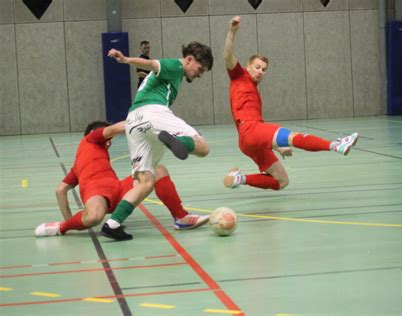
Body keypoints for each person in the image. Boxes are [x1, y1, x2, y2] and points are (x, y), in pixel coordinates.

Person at [222, 16, 359, 191]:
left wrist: (277, 147)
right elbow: (227, 55)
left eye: (264, 70)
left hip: (247, 140)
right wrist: (232, 31)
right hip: (251, 130)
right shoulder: (239, 76)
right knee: (296, 138)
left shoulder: (254, 90)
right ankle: (336, 145)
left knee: (281, 182)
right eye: (257, 67)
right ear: (248, 66)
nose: (261, 72)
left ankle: (239, 179)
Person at [101, 42, 214, 239]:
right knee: (203, 147)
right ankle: (180, 143)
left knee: (145, 182)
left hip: (133, 121)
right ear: (189, 60)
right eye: (200, 69)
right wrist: (126, 59)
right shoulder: (176, 66)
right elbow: (153, 64)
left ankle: (112, 224)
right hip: (153, 113)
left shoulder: (176, 75)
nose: (200, 74)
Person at [35, 121, 208, 240]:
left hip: (118, 190)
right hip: (96, 194)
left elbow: (60, 190)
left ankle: (181, 217)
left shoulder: (80, 164)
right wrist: (145, 122)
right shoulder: (90, 138)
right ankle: (61, 227)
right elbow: (115, 128)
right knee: (94, 217)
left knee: (158, 170)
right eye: (106, 138)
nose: (109, 141)